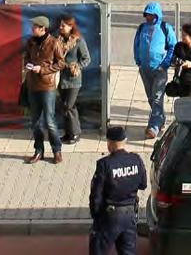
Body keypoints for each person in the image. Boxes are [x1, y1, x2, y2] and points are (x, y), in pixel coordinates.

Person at [88, 126, 146, 255]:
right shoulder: (136, 159)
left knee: (98, 250)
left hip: (109, 216)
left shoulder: (104, 164)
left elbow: (96, 195)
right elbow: (143, 184)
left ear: (110, 143)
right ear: (125, 141)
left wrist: (96, 216)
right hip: (130, 215)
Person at [23, 16, 66, 164]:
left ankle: (57, 151)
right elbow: (26, 57)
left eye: (35, 26)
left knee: (50, 120)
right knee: (35, 122)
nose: (32, 28)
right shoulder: (30, 42)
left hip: (47, 86)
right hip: (32, 86)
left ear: (43, 28)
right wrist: (28, 64)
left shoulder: (54, 43)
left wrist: (42, 69)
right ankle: (38, 151)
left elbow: (61, 63)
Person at [133, 2, 176, 140]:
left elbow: (172, 46)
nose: (149, 17)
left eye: (151, 14)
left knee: (157, 97)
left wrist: (165, 64)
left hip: (160, 70)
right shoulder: (142, 28)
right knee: (151, 97)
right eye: (147, 14)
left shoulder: (165, 28)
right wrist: (138, 61)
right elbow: (136, 44)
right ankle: (160, 118)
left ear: (157, 15)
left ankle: (154, 126)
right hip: (145, 69)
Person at [56, 14, 91, 145]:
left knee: (69, 106)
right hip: (61, 78)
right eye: (60, 25)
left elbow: (87, 58)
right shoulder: (58, 40)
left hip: (73, 79)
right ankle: (68, 132)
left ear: (71, 27)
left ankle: (75, 133)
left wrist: (77, 66)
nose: (60, 27)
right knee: (65, 107)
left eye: (63, 25)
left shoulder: (78, 41)